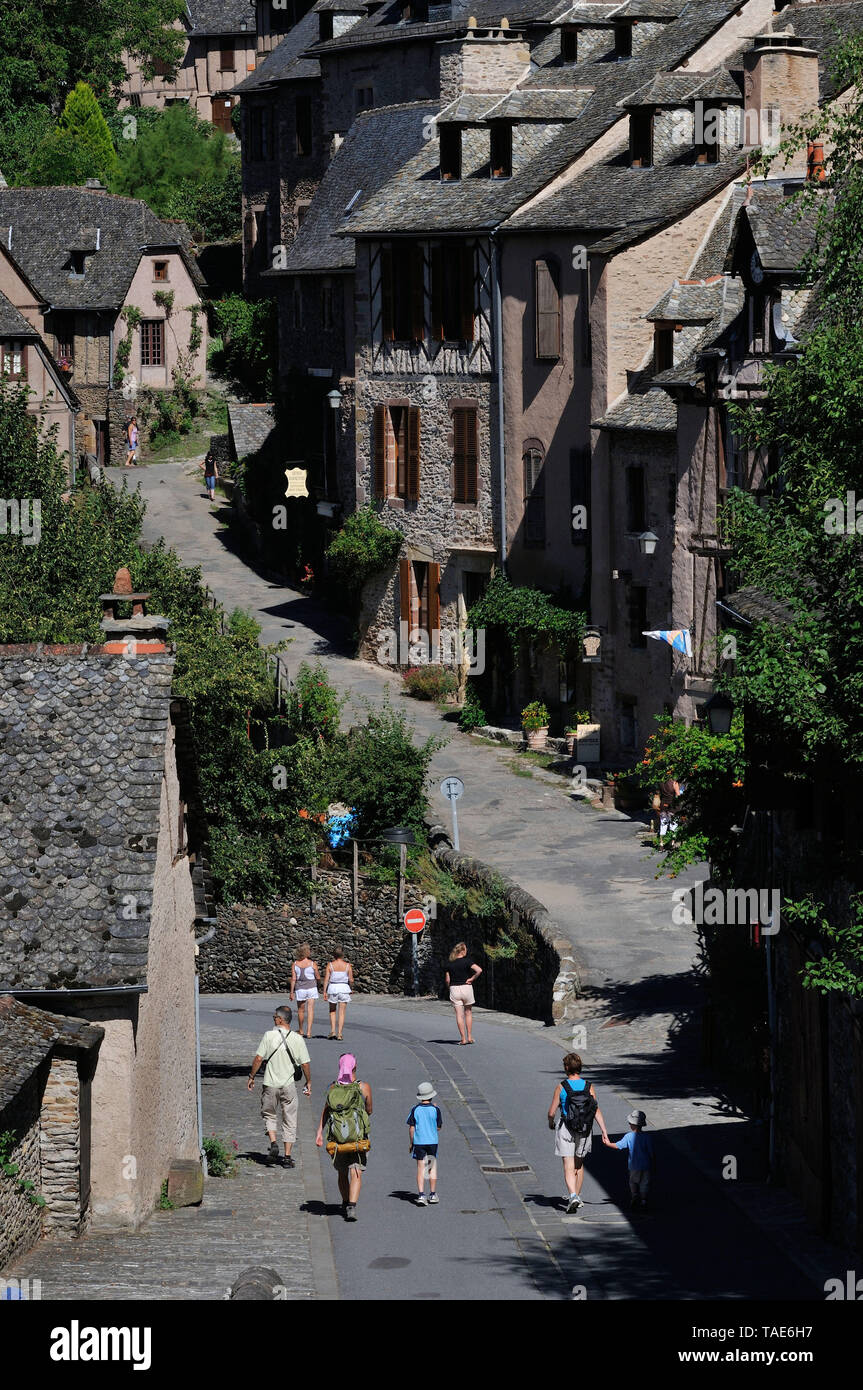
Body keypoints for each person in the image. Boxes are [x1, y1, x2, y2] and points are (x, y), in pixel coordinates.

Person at [247, 1004, 311, 1168]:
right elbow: (304, 1064)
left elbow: (259, 1059)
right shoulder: (297, 1039)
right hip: (288, 1084)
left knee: (269, 1114)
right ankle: (287, 1156)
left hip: (270, 1084)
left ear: (281, 1019)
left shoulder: (269, 1036)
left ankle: (274, 1142)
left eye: (275, 1017)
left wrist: (252, 1076)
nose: (274, 1019)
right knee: (290, 1119)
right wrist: (308, 1081)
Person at [547, 1051, 610, 1213]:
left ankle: (573, 1195)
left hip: (566, 1128)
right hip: (585, 1129)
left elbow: (552, 1112)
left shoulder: (562, 1086)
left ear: (566, 1068)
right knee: (578, 1164)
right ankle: (578, 1196)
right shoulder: (588, 1086)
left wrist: (551, 1123)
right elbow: (595, 1110)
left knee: (568, 1165)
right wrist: (603, 1130)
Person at [316, 1053, 372, 1222]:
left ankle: (345, 1201)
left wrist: (319, 1132)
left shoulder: (333, 1087)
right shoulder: (363, 1087)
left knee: (342, 1173)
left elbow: (326, 1111)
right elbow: (369, 1110)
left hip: (337, 1138)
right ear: (355, 1067)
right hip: (357, 1137)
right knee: (356, 1171)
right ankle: (351, 1207)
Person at [604, 1109, 656, 1211]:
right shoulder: (647, 1137)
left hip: (634, 1165)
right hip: (646, 1165)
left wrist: (608, 1143)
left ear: (632, 1124)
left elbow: (618, 1146)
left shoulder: (629, 1136)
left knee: (633, 1181)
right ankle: (644, 1200)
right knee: (644, 1183)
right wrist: (653, 1162)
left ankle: (634, 1196)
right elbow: (651, 1152)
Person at [407, 1081, 443, 1206]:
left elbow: (411, 1128)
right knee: (432, 1166)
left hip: (419, 1142)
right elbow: (438, 1127)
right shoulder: (436, 1109)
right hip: (432, 1141)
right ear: (431, 1095)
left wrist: (411, 1143)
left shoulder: (415, 1109)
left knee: (420, 1167)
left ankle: (421, 1194)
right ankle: (432, 1194)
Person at [445, 942, 482, 1045]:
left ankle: (463, 1039)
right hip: (466, 987)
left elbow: (447, 980)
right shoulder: (467, 961)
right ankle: (470, 1037)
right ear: (462, 951)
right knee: (468, 1012)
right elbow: (479, 970)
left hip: (454, 989)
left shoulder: (449, 964)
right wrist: (472, 979)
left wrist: (450, 988)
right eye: (465, 949)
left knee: (459, 1015)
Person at [290, 944, 322, 1038]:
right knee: (310, 1010)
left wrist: (291, 992)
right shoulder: (312, 964)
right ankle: (309, 1032)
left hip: (300, 988)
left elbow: (293, 979)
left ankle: (301, 1030)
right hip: (311, 987)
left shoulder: (295, 964)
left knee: (301, 1010)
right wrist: (318, 984)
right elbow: (318, 977)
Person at [322, 948, 353, 1040]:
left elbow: (326, 979)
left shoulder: (330, 965)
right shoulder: (347, 965)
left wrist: (324, 991)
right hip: (344, 988)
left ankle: (332, 1031)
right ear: (343, 955)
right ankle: (339, 1033)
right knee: (342, 1012)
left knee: (332, 1011)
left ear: (334, 955)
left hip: (333, 988)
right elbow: (351, 979)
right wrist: (351, 988)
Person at [657, 775, 681, 839]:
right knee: (674, 824)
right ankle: (672, 843)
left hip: (663, 804)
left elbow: (659, 794)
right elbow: (678, 794)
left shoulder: (660, 783)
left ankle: (661, 844)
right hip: (672, 805)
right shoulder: (674, 783)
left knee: (663, 824)